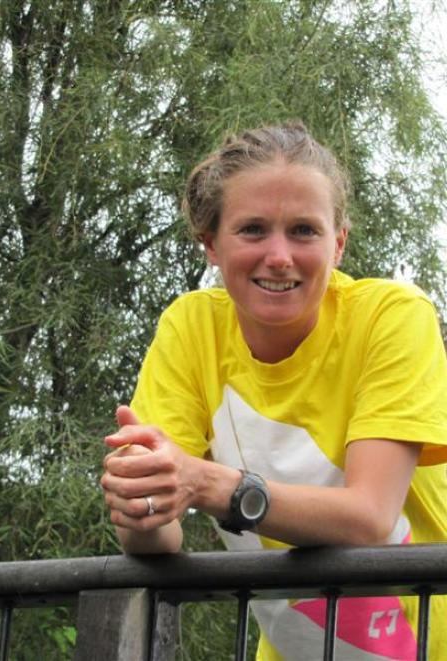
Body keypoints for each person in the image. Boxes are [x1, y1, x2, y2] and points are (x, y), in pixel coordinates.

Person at [100, 123, 447, 660]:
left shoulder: (394, 316)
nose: (279, 255)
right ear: (211, 244)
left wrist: (209, 485)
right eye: (254, 229)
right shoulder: (190, 329)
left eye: (304, 230)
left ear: (338, 245)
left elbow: (371, 517)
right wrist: (143, 501)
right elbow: (157, 538)